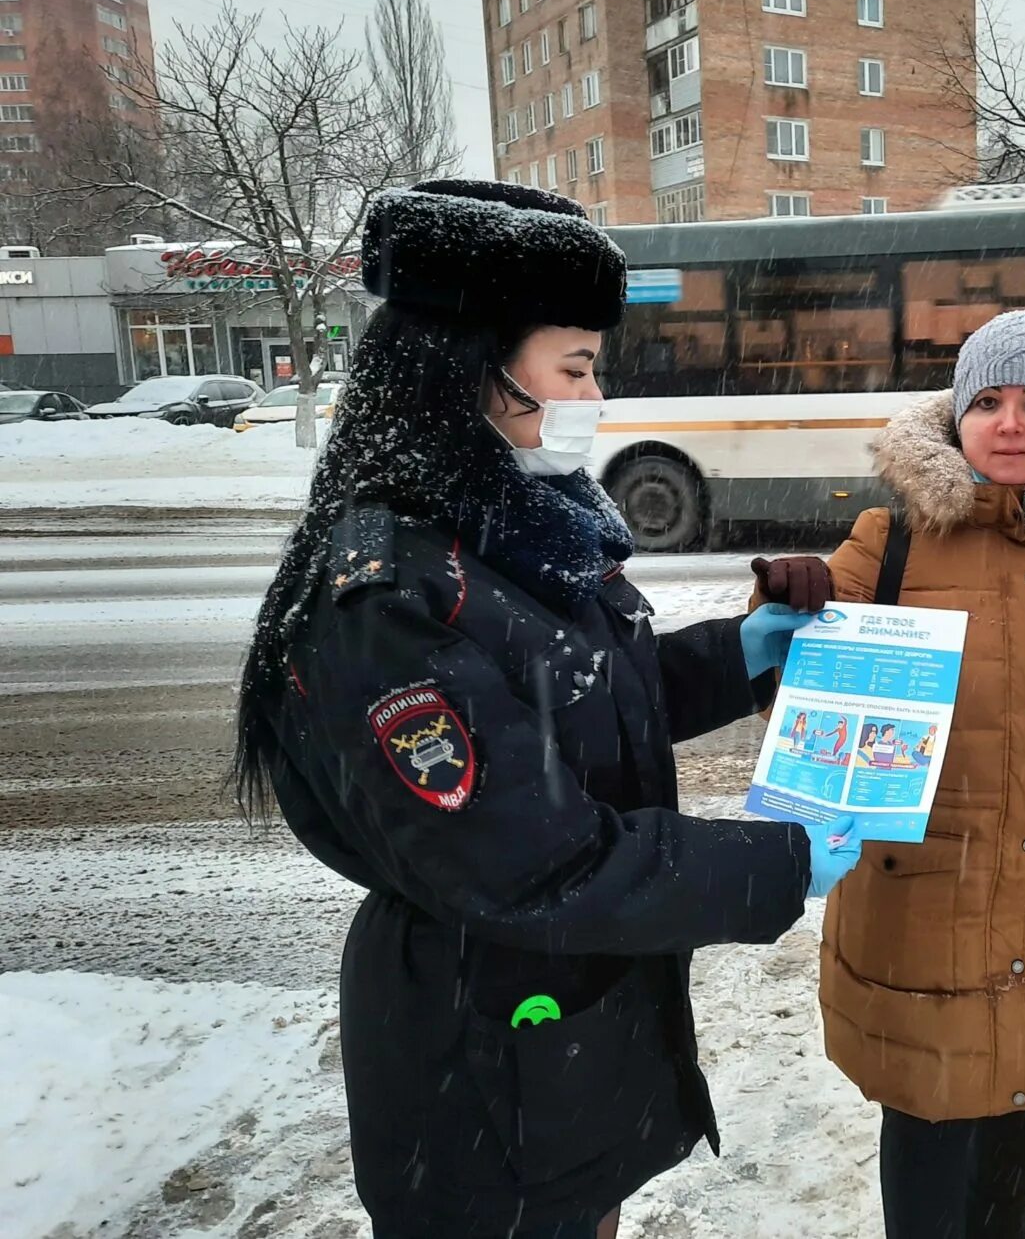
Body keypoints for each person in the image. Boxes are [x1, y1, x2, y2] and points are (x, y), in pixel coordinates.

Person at [230, 179, 863, 1239]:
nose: (593, 398)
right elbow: (528, 859)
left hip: (556, 1051)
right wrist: (774, 865)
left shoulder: (505, 532)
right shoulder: (391, 596)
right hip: (480, 1080)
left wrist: (741, 656)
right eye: (573, 369)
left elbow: (574, 703)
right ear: (466, 372)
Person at [759, 310, 1025, 1239]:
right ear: (956, 415)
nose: (1010, 423)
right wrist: (781, 608)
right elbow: (796, 701)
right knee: (926, 1176)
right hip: (920, 919)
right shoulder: (892, 542)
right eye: (989, 400)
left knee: (1010, 1172)